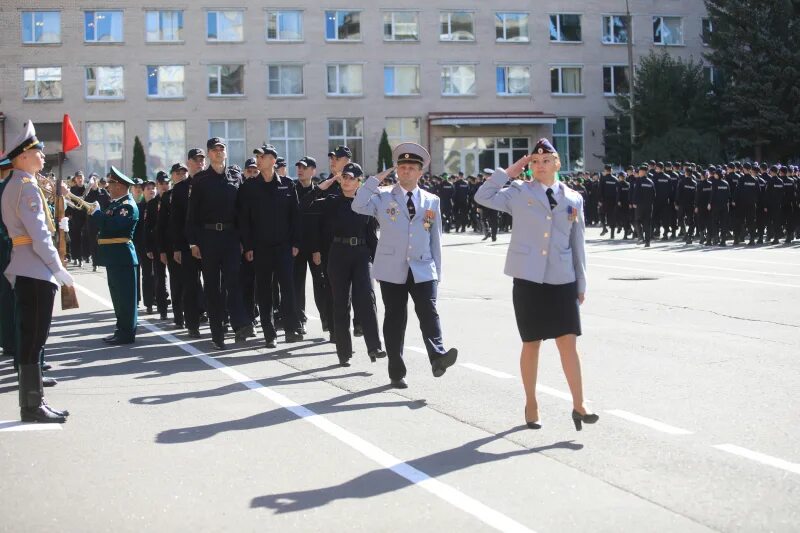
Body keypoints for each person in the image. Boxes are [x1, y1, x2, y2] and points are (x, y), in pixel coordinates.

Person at [474, 138, 597, 431]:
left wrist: (581, 282)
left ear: (557, 164)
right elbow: (483, 195)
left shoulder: (573, 198)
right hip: (528, 278)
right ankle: (531, 401)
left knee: (568, 342)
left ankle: (579, 404)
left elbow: (577, 242)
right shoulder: (518, 191)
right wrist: (513, 169)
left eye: (546, 161)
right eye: (535, 162)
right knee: (531, 343)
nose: (540, 166)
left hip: (562, 278)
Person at [352, 142, 458, 389]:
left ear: (420, 172)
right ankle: (396, 371)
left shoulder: (431, 200)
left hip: (423, 266)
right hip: (392, 267)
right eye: (402, 167)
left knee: (429, 312)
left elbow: (436, 238)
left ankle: (437, 357)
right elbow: (357, 205)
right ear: (396, 170)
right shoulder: (382, 196)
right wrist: (375, 179)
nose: (406, 171)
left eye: (411, 168)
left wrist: (437, 273)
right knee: (395, 319)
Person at [1, 121, 73, 422]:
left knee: (32, 339)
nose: (42, 156)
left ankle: (35, 402)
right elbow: (39, 235)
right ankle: (32, 406)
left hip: (27, 268)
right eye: (37, 151)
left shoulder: (19, 183)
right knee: (33, 340)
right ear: (23, 156)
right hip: (33, 270)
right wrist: (58, 270)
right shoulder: (25, 186)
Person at [303, 162, 385, 366]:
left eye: (351, 178)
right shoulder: (331, 201)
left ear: (359, 182)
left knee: (367, 297)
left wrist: (379, 262)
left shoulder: (367, 203)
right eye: (344, 177)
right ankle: (344, 351)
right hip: (338, 254)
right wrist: (325, 183)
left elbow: (371, 235)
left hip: (361, 254)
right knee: (340, 304)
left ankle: (374, 346)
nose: (347, 181)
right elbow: (304, 205)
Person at [187, 138, 253, 350]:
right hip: (208, 238)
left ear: (226, 153)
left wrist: (245, 241)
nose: (218, 153)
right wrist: (193, 243)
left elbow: (243, 212)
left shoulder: (235, 177)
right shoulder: (200, 180)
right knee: (213, 287)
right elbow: (192, 215)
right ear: (208, 154)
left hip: (231, 236)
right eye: (214, 150)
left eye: (221, 149)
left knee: (233, 282)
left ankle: (240, 324)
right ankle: (217, 333)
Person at [237, 144, 303, 348]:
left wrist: (295, 242)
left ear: (273, 160)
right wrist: (248, 246)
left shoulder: (287, 184)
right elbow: (244, 220)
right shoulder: (249, 186)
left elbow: (295, 216)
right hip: (260, 248)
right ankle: (269, 333)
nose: (258, 159)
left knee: (288, 289)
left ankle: (291, 329)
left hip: (283, 246)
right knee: (264, 292)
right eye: (257, 155)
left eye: (263, 156)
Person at [90, 166, 140, 344]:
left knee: (126, 298)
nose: (108, 186)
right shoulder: (116, 204)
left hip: (123, 257)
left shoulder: (127, 206)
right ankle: (121, 329)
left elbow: (112, 226)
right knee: (118, 297)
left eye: (110, 183)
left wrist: (96, 213)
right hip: (114, 257)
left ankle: (127, 333)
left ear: (119, 185)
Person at [293, 156, 330, 333]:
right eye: (299, 167)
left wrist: (318, 249)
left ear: (313, 170)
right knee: (297, 285)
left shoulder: (321, 192)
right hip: (297, 247)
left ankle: (326, 320)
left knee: (321, 285)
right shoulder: (292, 190)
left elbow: (322, 226)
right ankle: (299, 321)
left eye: (305, 167)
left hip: (316, 248)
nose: (300, 170)